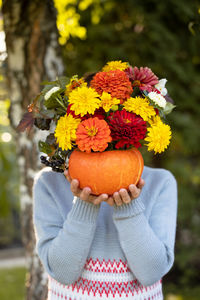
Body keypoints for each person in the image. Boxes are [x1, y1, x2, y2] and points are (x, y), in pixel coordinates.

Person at [33, 164, 178, 300]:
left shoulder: (160, 181)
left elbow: (151, 273)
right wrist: (85, 203)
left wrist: (129, 206)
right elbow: (62, 272)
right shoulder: (48, 182)